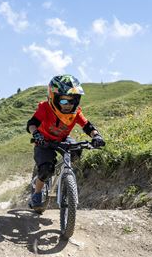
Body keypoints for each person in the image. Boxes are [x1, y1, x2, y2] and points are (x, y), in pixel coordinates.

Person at [26, 74, 105, 211]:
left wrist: (97, 136)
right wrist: (36, 134)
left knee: (76, 148)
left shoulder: (75, 113)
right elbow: (32, 124)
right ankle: (37, 193)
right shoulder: (45, 108)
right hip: (44, 140)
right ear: (53, 98)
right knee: (45, 170)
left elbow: (88, 126)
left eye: (72, 101)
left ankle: (66, 176)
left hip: (62, 139)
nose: (68, 105)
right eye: (63, 101)